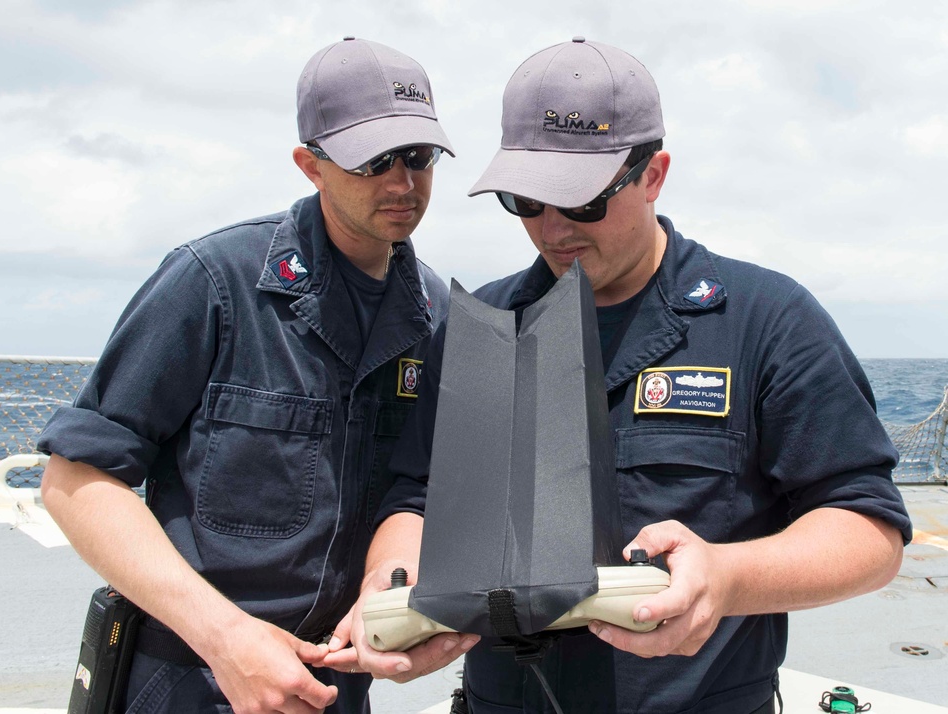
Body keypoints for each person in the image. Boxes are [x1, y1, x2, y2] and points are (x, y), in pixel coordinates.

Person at [340, 38, 912, 713]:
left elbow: (867, 529)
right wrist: (390, 579)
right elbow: (419, 495)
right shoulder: (483, 324)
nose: (553, 230)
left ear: (654, 173)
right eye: (524, 200)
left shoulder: (767, 321)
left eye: (582, 202)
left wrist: (727, 577)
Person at [38, 36, 471, 714]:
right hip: (190, 681)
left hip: (331, 689)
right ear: (311, 165)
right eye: (372, 158)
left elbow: (414, 496)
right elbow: (76, 479)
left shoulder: (438, 317)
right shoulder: (213, 283)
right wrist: (228, 640)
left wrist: (391, 595)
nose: (402, 181)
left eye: (418, 157)